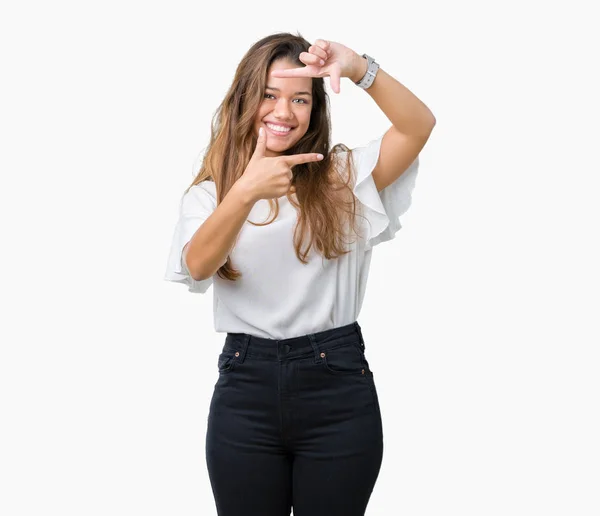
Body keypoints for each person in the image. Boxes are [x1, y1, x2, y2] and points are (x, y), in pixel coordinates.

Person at [164, 32, 435, 516]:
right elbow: (197, 265)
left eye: (299, 99)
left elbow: (418, 126)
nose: (283, 112)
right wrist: (245, 191)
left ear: (315, 109)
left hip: (337, 388)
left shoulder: (341, 177)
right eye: (268, 95)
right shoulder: (210, 195)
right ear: (245, 98)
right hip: (246, 391)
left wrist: (359, 69)